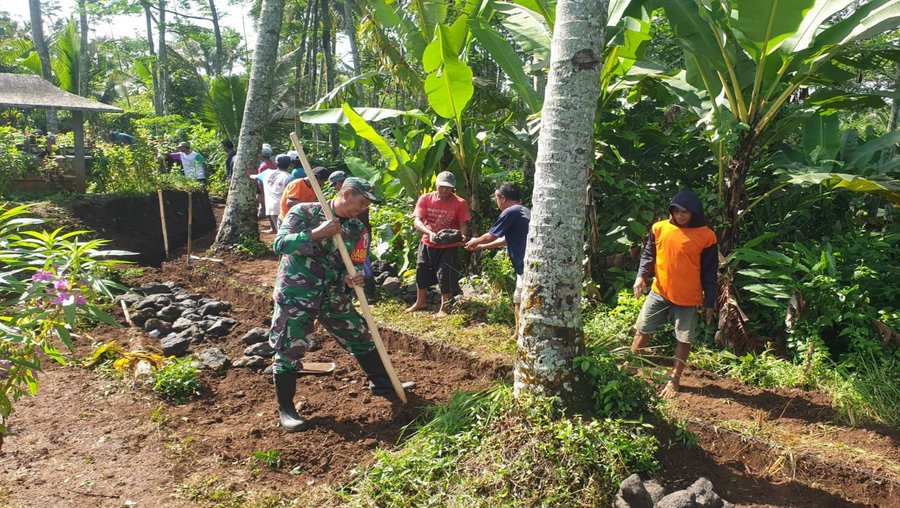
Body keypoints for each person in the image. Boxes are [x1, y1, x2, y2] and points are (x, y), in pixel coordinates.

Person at [269, 177, 415, 431]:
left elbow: (355, 263)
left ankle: (382, 382)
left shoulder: (358, 229)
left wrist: (352, 276)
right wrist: (317, 233)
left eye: (367, 205)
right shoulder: (304, 212)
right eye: (361, 202)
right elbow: (280, 244)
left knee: (360, 334)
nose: (363, 208)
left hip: (332, 293)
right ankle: (287, 409)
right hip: (297, 293)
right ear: (346, 194)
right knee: (290, 347)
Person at [630, 188, 718, 399]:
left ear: (694, 212)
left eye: (684, 212)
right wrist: (641, 276)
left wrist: (709, 300)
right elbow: (649, 254)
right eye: (676, 211)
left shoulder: (706, 236)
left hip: (687, 298)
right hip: (659, 292)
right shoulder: (659, 228)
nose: (680, 216)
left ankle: (674, 380)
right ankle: (630, 366)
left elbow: (710, 271)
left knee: (683, 339)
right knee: (643, 329)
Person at [465, 182, 531, 339]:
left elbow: (492, 235)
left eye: (496, 198)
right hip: (526, 265)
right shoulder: (524, 211)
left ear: (502, 198)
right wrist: (481, 246)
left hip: (525, 266)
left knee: (522, 300)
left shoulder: (511, 211)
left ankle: (521, 335)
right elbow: (506, 240)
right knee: (519, 299)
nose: (496, 201)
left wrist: (475, 240)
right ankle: (518, 334)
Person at [404, 171, 471, 316]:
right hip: (427, 242)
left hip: (448, 246)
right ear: (436, 185)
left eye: (448, 187)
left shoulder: (459, 203)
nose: (445, 190)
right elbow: (417, 221)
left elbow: (463, 223)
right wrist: (429, 233)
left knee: (444, 275)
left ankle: (445, 308)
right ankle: (420, 302)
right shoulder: (426, 198)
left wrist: (463, 236)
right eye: (442, 186)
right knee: (421, 271)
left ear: (453, 188)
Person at [257, 154, 292, 233]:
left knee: (280, 230)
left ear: (276, 163)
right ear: (289, 164)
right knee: (284, 231)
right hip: (282, 208)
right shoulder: (289, 177)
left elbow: (256, 177)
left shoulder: (267, 173)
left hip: (271, 207)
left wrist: (249, 174)